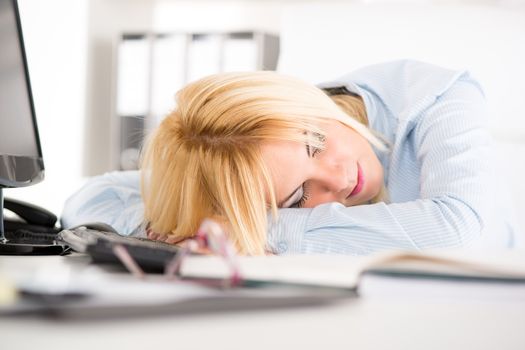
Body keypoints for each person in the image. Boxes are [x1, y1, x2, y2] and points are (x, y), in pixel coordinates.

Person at [61, 60, 519, 256]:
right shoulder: (253, 159)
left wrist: (247, 227)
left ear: (308, 104)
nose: (338, 178)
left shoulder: (435, 95)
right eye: (300, 195)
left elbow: (457, 232)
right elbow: (93, 199)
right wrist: (201, 218)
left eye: (315, 143)